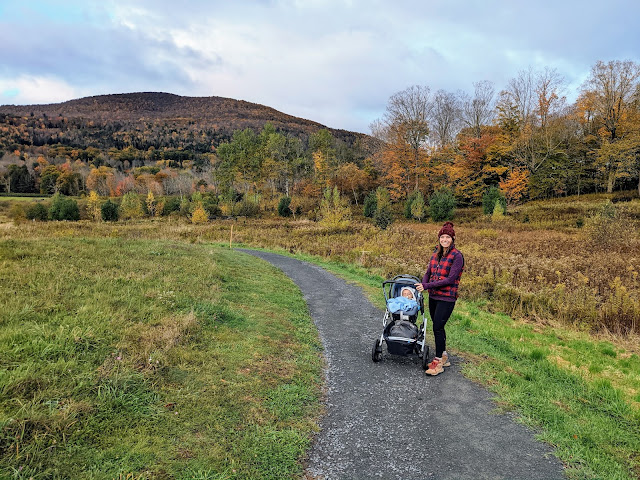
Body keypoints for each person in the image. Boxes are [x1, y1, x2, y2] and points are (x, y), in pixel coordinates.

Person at [415, 221, 464, 376]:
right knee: (438, 326)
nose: (444, 239)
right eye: (442, 237)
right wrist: (423, 285)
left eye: (447, 237)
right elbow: (428, 272)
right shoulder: (436, 253)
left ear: (452, 239)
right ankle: (443, 356)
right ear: (439, 238)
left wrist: (428, 286)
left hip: (447, 297)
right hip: (434, 296)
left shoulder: (457, 256)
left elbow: (450, 279)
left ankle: (438, 362)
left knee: (437, 327)